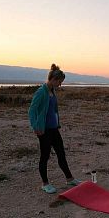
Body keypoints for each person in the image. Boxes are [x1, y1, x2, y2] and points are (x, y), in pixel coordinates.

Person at [28, 64, 81, 193]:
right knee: (45, 156)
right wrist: (35, 127)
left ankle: (70, 178)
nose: (60, 85)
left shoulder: (52, 91)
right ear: (53, 79)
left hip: (54, 129)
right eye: (59, 82)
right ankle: (45, 183)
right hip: (44, 130)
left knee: (61, 154)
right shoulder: (41, 92)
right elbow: (32, 110)